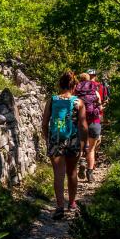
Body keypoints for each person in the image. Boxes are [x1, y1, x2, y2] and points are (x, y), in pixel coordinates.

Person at [41, 70, 88, 220]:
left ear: (60, 85)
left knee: (58, 174)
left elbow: (44, 123)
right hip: (73, 139)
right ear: (73, 86)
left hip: (56, 139)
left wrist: (48, 138)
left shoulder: (52, 100)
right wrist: (84, 144)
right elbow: (83, 126)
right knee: (72, 172)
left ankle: (59, 206)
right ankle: (72, 203)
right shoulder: (78, 102)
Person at [74, 72, 102, 183]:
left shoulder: (76, 92)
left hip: (80, 123)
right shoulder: (95, 91)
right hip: (94, 122)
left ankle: (81, 162)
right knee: (91, 149)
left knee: (80, 148)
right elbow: (99, 107)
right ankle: (90, 174)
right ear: (89, 79)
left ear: (79, 80)